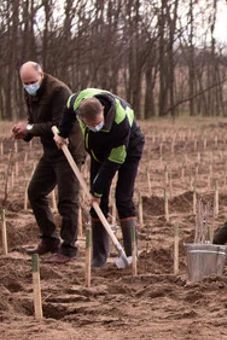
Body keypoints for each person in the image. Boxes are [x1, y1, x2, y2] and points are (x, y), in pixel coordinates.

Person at [53, 88, 145, 268]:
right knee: (97, 204)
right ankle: (99, 257)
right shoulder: (79, 102)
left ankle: (131, 254)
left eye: (97, 123)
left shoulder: (121, 122)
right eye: (90, 125)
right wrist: (63, 134)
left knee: (123, 198)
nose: (95, 127)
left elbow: (114, 162)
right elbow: (68, 109)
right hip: (98, 152)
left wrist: (96, 190)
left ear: (102, 109)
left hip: (128, 149)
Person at [12, 62, 86, 264]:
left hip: (68, 149)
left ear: (42, 75)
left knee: (67, 200)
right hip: (51, 151)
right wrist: (25, 132)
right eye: (25, 83)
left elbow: (59, 125)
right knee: (35, 192)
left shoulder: (59, 91)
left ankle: (68, 249)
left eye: (32, 82)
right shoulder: (29, 92)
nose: (29, 86)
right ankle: (50, 239)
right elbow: (33, 119)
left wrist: (30, 128)